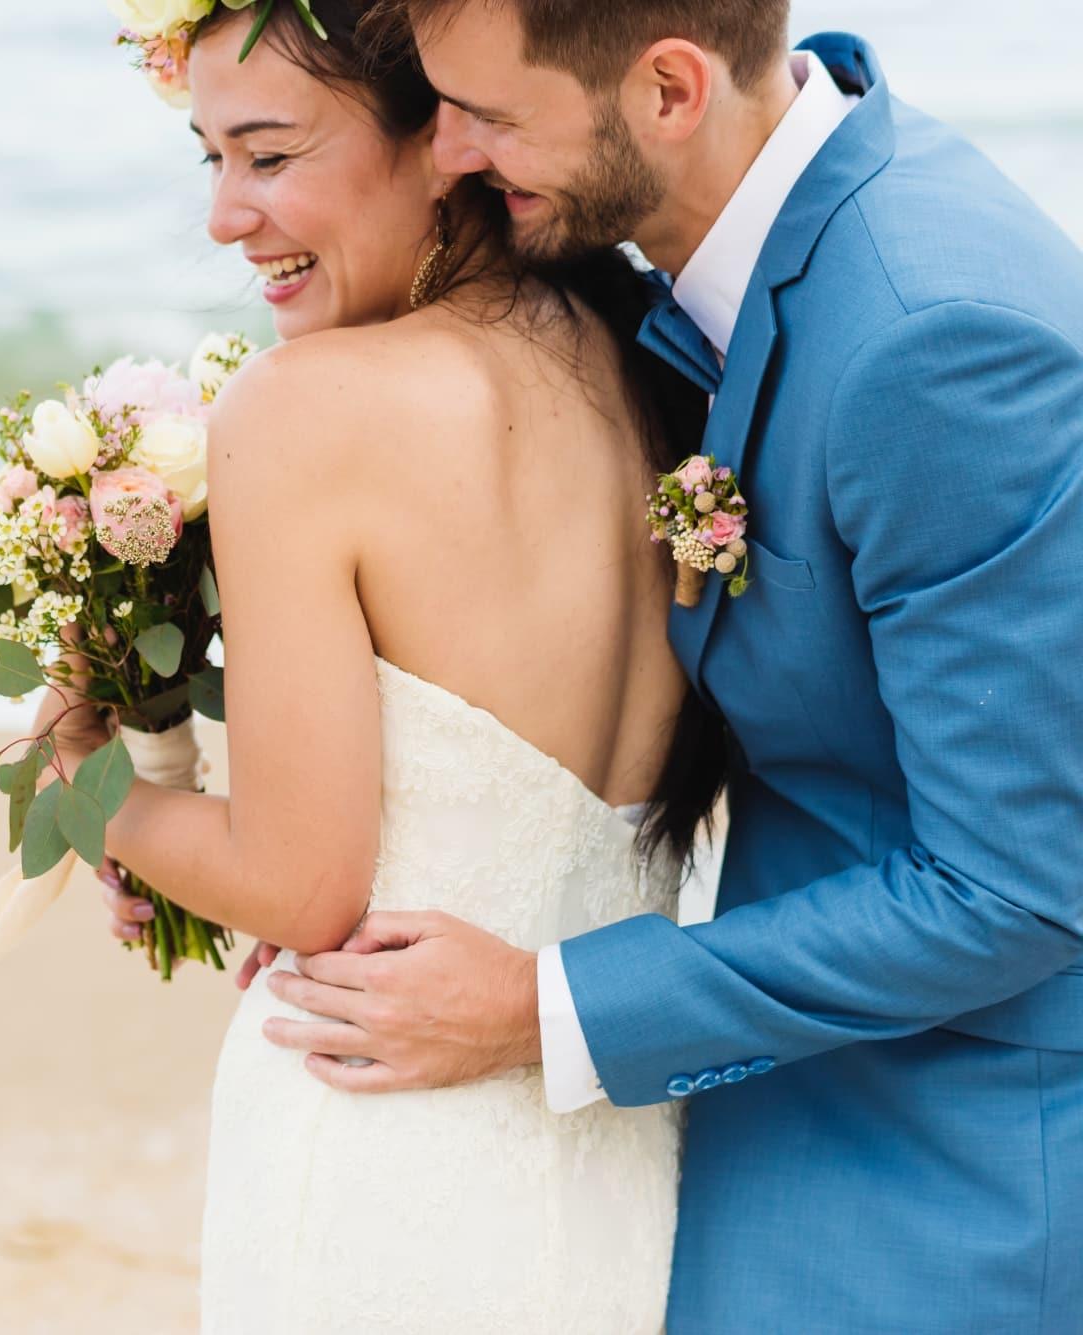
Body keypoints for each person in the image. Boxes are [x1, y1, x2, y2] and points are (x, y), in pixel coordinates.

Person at [203, 1, 1083, 1328]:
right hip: (725, 1111)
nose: (443, 156)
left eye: (487, 118)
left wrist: (538, 1006)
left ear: (668, 89)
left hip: (937, 1172)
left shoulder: (933, 336)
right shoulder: (692, 280)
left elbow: (1021, 885)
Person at [39, 1, 715, 1327]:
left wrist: (76, 778)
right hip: (617, 1152)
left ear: (448, 140)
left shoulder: (305, 411)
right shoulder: (654, 369)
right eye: (210, 159)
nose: (228, 215)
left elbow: (297, 883)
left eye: (272, 155)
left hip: (383, 1152)